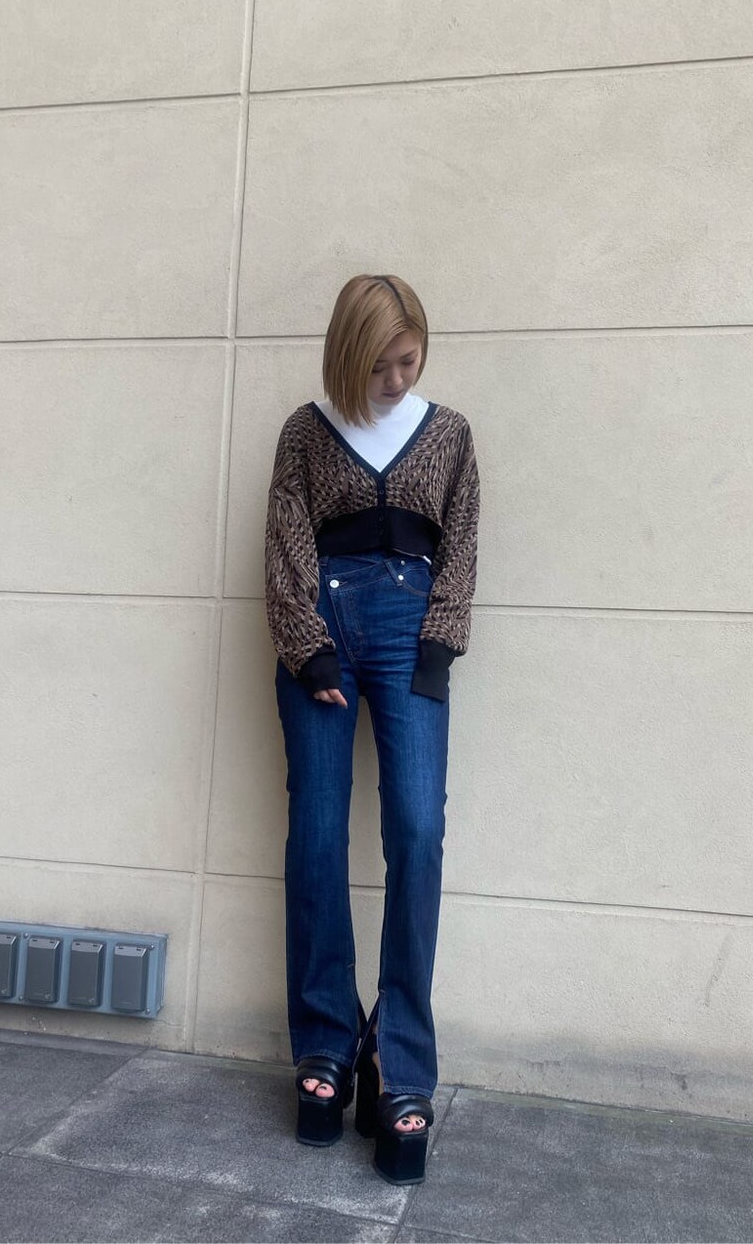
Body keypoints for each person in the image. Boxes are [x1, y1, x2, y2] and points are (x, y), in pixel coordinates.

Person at [264, 273, 480, 1185]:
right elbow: (285, 541)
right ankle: (326, 1044)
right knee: (317, 834)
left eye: (409, 360)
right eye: (381, 364)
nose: (396, 379)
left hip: (409, 632)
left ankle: (399, 1060)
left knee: (417, 831)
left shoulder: (450, 433)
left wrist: (439, 645)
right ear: (347, 355)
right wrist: (307, 648)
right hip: (321, 630)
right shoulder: (306, 431)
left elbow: (461, 544)